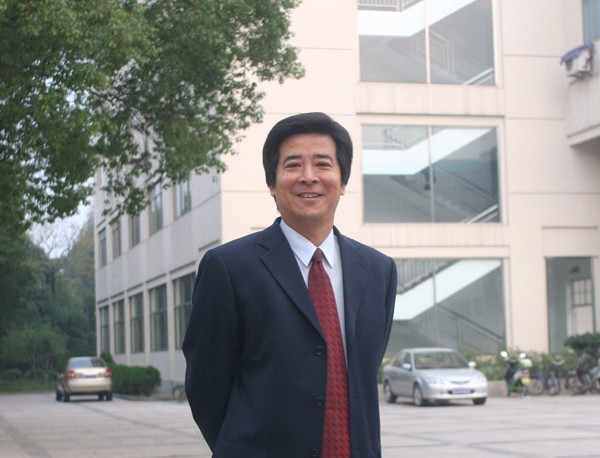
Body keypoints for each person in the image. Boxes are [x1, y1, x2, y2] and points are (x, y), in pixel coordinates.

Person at [183, 112, 397, 457]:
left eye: (323, 164)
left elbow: (364, 374)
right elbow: (206, 385)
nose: (308, 176)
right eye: (293, 165)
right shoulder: (229, 267)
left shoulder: (378, 270)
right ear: (272, 183)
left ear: (342, 181)